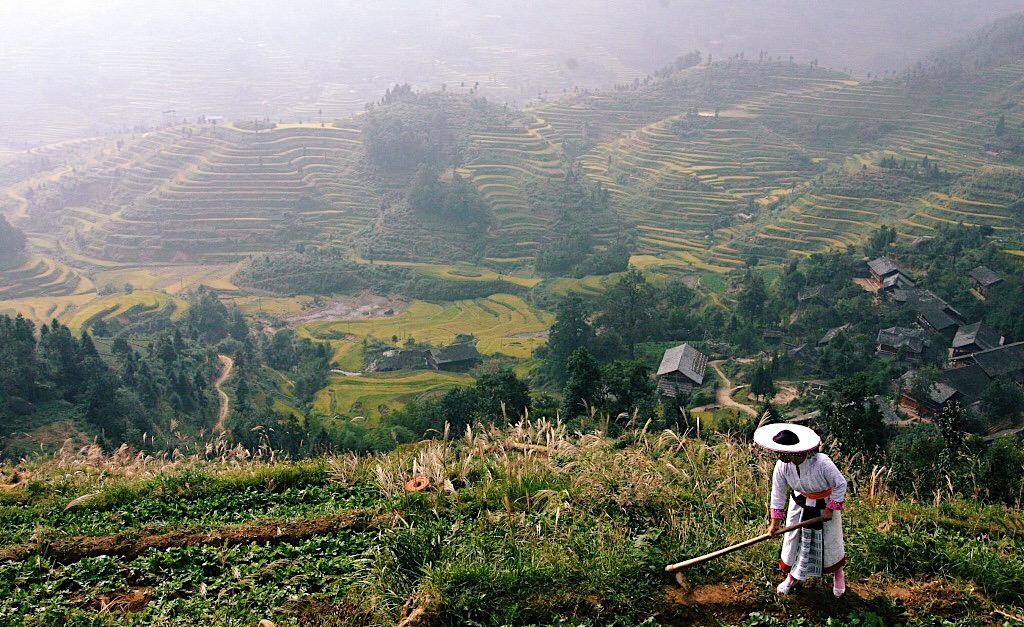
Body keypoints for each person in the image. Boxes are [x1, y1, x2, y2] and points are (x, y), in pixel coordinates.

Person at [753, 422, 847, 597]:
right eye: (779, 452)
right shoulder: (782, 466)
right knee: (795, 540)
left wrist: (830, 509)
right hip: (799, 504)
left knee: (830, 540)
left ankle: (838, 573)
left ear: (796, 451)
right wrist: (774, 523)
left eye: (784, 453)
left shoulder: (822, 462)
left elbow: (841, 483)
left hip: (824, 505)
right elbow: (778, 493)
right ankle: (793, 576)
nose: (780, 456)